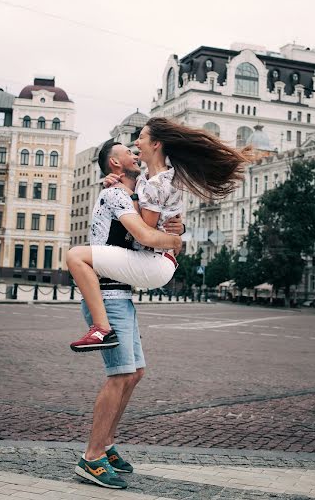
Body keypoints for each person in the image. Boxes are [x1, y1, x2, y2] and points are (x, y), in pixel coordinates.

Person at [67, 117, 251, 353]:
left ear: (156, 144)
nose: (136, 143)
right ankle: (109, 329)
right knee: (134, 372)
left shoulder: (155, 183)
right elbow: (156, 218)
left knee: (75, 256)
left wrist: (175, 237)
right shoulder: (152, 178)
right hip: (161, 262)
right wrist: (115, 183)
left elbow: (145, 232)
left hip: (155, 262)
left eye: (141, 137)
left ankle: (102, 328)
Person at [69, 140, 184, 490]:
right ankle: (91, 458)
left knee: (134, 373)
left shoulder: (130, 197)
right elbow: (144, 236)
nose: (136, 155)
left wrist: (173, 230)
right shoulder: (115, 195)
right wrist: (174, 241)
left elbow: (147, 239)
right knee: (119, 376)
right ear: (115, 163)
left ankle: (106, 443)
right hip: (106, 296)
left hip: (121, 295)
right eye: (128, 152)